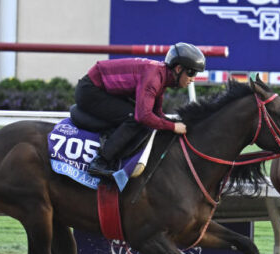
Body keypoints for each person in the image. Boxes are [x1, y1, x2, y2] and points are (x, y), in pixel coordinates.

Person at [75, 42, 206, 177]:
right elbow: (143, 116)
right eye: (191, 72)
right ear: (178, 69)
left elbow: (157, 113)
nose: (193, 79)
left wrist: (176, 124)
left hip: (101, 89)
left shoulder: (162, 77)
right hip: (90, 90)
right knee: (134, 117)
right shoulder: (154, 78)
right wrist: (173, 127)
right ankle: (100, 161)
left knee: (136, 115)